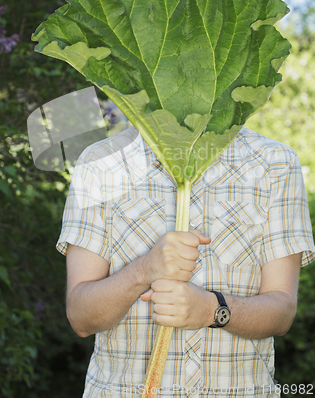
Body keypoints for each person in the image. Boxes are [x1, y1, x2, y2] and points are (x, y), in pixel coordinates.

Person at [56, 124, 315, 398]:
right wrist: (144, 270)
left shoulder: (275, 163)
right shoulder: (100, 162)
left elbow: (282, 311)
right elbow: (81, 315)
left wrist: (211, 310)